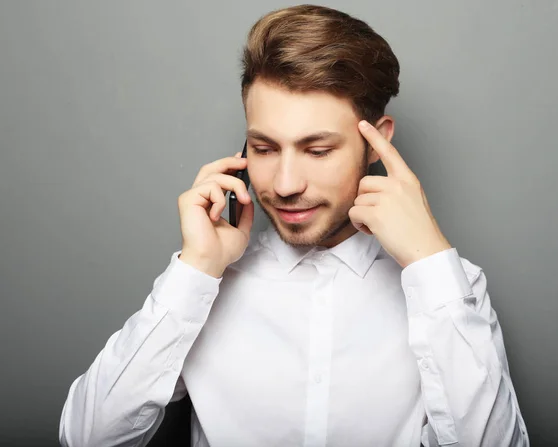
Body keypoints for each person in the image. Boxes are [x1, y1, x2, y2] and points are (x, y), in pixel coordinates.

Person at [59, 5, 529, 447]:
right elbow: (86, 438)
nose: (284, 184)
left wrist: (429, 263)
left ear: (376, 142)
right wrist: (195, 271)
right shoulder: (205, 286)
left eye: (318, 150)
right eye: (263, 148)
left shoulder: (449, 286)